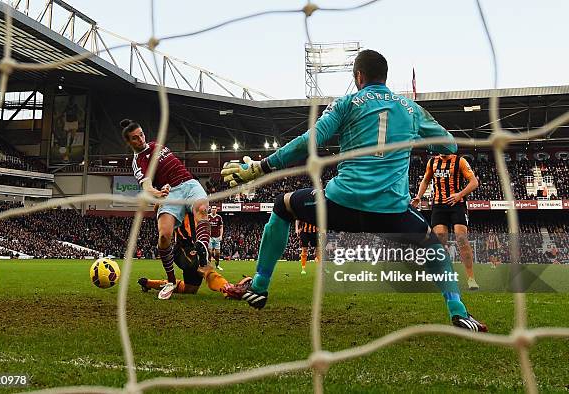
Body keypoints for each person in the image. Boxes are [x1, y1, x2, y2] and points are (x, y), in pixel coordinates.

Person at [221, 50, 487, 332]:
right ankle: (458, 312)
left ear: (359, 77)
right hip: (391, 213)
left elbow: (310, 140)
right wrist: (418, 140)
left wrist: (264, 166)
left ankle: (260, 286)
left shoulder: (347, 103)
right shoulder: (410, 109)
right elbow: (449, 145)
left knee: (283, 205)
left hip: (341, 205)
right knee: (436, 250)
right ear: (384, 76)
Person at [122, 119, 211, 299]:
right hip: (169, 194)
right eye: (135, 138)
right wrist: (158, 193)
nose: (141, 139)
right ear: (129, 142)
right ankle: (170, 280)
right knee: (164, 236)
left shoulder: (156, 145)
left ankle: (203, 250)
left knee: (202, 208)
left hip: (188, 183)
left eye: (141, 134)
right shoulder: (138, 161)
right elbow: (146, 186)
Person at [138, 212, 251, 299]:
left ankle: (147, 283)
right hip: (183, 248)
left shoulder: (199, 203)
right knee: (204, 268)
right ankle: (228, 289)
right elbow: (158, 209)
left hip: (198, 247)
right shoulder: (180, 203)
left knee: (190, 289)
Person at [412, 153, 480, 290]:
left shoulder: (460, 161)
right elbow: (425, 180)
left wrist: (459, 194)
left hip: (457, 204)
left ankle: (471, 278)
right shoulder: (432, 162)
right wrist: (419, 196)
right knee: (439, 241)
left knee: (461, 239)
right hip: (438, 206)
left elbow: (474, 182)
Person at [208, 206, 224, 270]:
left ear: (216, 210)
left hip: (217, 237)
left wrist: (221, 236)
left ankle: (217, 265)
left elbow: (221, 227)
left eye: (215, 208)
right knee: (210, 252)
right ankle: (209, 265)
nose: (213, 209)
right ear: (211, 209)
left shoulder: (219, 217)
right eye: (212, 208)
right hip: (210, 237)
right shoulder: (207, 216)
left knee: (217, 253)